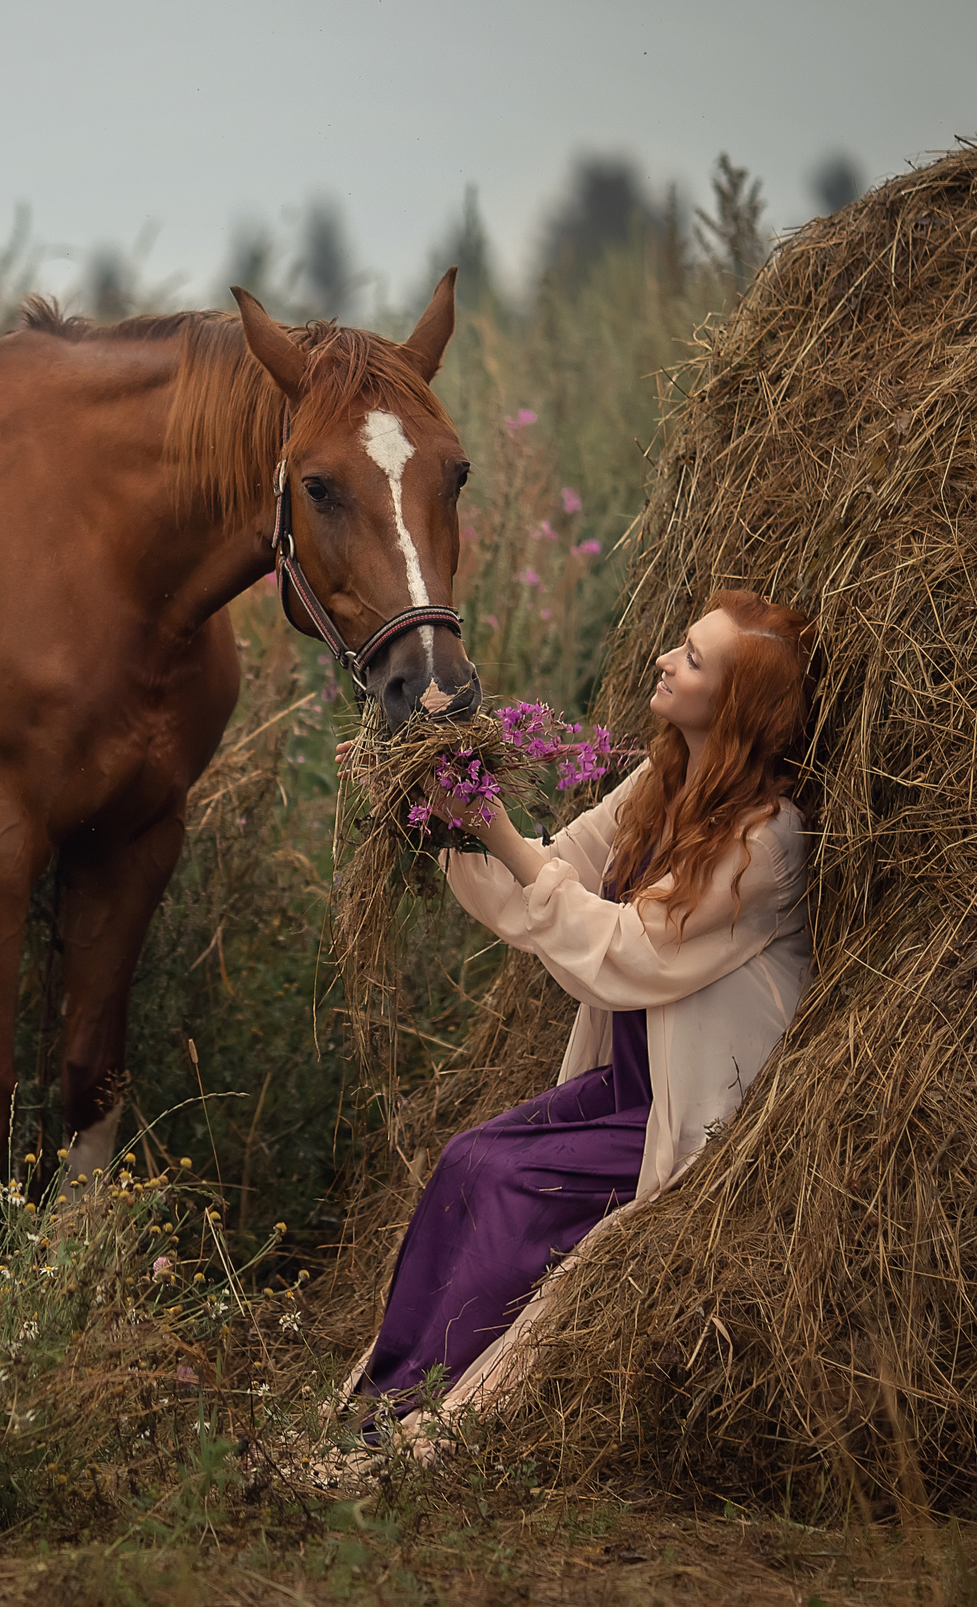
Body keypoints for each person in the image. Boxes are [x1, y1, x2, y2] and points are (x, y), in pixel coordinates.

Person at [347, 587, 816, 1430]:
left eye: (695, 659)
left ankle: (434, 1409)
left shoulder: (766, 842)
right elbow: (550, 875)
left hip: (693, 1111)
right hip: (628, 1086)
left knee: (504, 1183)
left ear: (736, 707)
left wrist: (499, 835)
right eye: (680, 642)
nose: (667, 660)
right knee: (463, 1159)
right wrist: (446, 820)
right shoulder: (662, 781)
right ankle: (383, 1395)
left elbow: (628, 950)